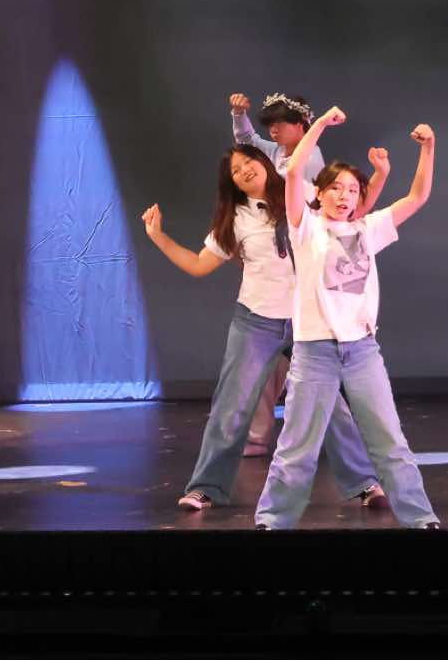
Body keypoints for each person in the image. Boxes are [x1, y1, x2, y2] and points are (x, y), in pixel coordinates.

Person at [140, 144, 389, 512]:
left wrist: (380, 174)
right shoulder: (235, 219)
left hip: (308, 321)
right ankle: (206, 487)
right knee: (232, 407)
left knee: (331, 406)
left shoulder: (303, 193)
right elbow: (198, 265)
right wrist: (158, 236)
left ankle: (364, 482)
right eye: (236, 170)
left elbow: (353, 210)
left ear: (263, 162)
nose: (244, 170)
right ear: (232, 183)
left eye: (249, 161)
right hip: (256, 321)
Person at [253, 107, 441, 531]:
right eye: (335, 188)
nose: (344, 196)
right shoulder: (305, 228)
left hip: (362, 352)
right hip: (314, 353)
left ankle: (421, 518)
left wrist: (428, 148)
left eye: (353, 190)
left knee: (390, 443)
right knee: (297, 448)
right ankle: (273, 520)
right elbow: (294, 170)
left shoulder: (368, 230)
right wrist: (319, 124)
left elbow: (417, 197)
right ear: (319, 194)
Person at [229, 91, 387, 454]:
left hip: (308, 256)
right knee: (278, 361)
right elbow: (247, 140)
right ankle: (263, 435)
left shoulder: (309, 158)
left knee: (317, 363)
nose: (273, 131)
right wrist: (239, 115)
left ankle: (345, 443)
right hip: (284, 261)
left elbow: (345, 207)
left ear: (301, 126)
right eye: (270, 125)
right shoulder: (273, 151)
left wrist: (326, 125)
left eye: (280, 125)